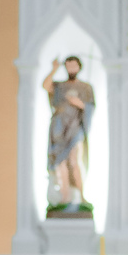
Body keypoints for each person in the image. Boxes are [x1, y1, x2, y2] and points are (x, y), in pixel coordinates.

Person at [43, 55, 95, 213]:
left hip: (74, 127)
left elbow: (90, 106)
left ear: (79, 67)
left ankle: (81, 195)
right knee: (61, 162)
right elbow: (46, 86)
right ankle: (64, 197)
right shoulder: (59, 86)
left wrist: (76, 102)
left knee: (74, 160)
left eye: (74, 66)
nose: (71, 69)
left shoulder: (85, 87)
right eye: (68, 66)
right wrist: (53, 69)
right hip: (59, 128)